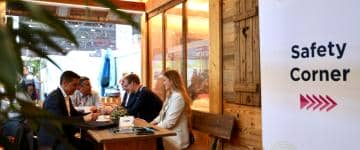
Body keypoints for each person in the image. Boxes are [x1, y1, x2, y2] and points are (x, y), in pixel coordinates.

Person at [38, 71, 99, 149]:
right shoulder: (54, 98)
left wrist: (90, 115)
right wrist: (84, 118)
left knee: (90, 144)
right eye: (74, 85)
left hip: (63, 137)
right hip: (53, 142)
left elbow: (74, 114)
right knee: (88, 145)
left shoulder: (65, 96)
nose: (77, 88)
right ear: (65, 83)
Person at [151, 70, 192, 150]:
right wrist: (151, 124)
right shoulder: (171, 95)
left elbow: (170, 123)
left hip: (176, 139)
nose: (163, 83)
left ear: (172, 81)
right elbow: (161, 115)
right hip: (168, 136)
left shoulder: (178, 97)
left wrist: (151, 128)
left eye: (165, 80)